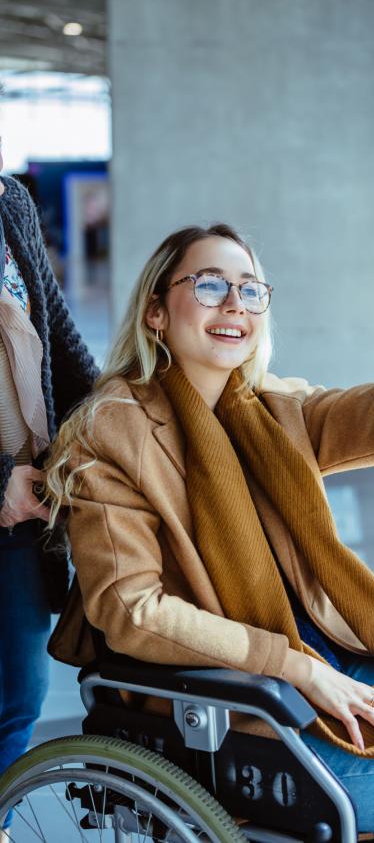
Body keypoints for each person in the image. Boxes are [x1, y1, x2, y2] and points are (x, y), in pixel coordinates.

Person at [46, 224, 374, 840]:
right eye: (209, 285)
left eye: (250, 289)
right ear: (156, 310)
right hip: (241, 721)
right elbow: (132, 610)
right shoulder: (111, 433)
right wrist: (294, 667)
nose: (234, 304)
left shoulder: (272, 409)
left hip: (334, 674)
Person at [0, 137, 98, 841]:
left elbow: (57, 331)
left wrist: (115, 419)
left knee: (15, 696)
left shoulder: (10, 201)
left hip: (24, 502)